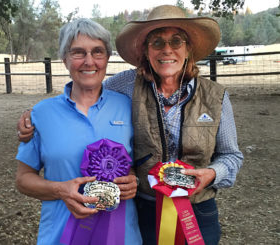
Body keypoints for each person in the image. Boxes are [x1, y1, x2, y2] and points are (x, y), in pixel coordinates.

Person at [17, 5, 243, 245]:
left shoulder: (215, 96)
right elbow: (89, 85)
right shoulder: (127, 86)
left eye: (176, 41)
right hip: (146, 210)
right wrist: (34, 115)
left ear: (188, 48)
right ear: (146, 50)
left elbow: (231, 155)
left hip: (196, 211)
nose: (167, 50)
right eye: (157, 42)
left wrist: (210, 174)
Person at [15, 18, 142, 245]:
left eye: (97, 52)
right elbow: (23, 179)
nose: (89, 61)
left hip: (121, 237)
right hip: (61, 236)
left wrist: (134, 179)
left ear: (107, 58)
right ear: (64, 59)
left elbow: (140, 160)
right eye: (78, 53)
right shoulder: (41, 114)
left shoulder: (128, 106)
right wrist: (60, 190)